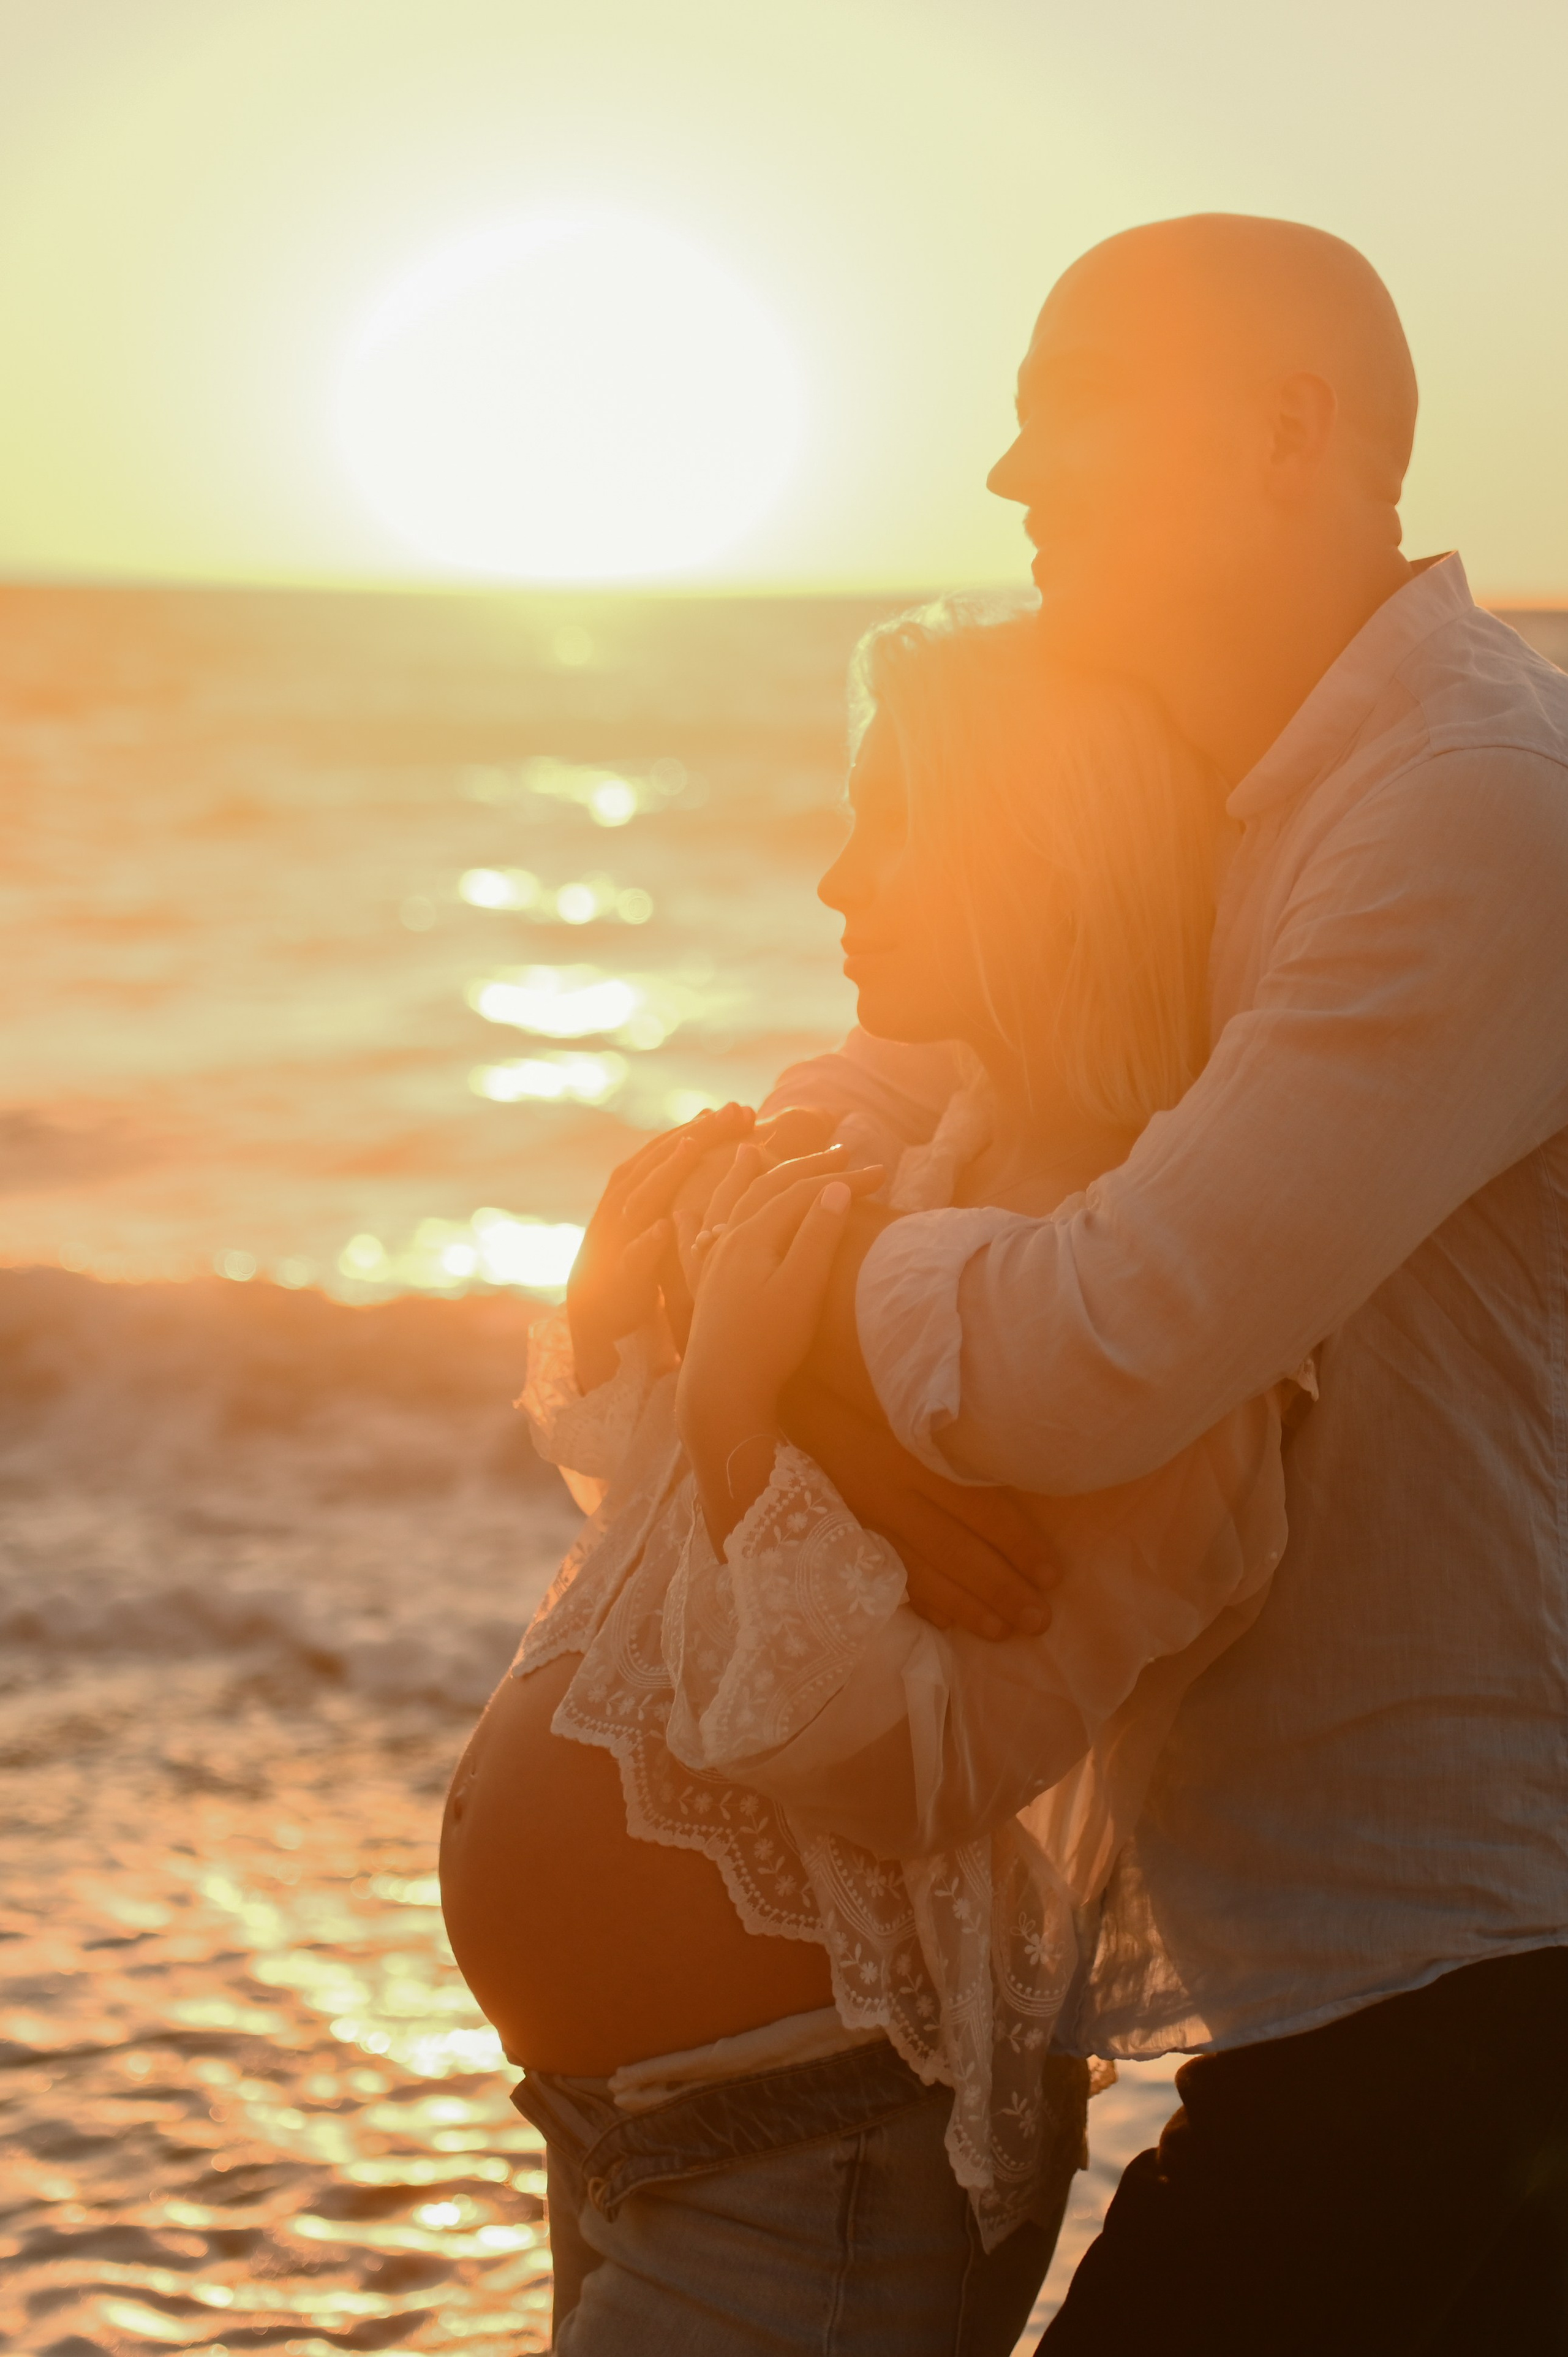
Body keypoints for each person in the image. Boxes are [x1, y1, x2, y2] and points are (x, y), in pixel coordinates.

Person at [772, 214, 1568, 2350]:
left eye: (1066, 413)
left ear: (1286, 432)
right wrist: (745, 1250)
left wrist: (795, 1324)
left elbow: (1108, 1346)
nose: (1013, 478)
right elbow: (884, 1065)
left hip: (1489, 1985)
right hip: (1348, 2000)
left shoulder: (1473, 808)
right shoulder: (1238, 789)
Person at [440, 604, 1295, 2353]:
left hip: (812, 2164)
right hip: (636, 2132)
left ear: (1037, 862)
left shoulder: (1139, 1326)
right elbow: (680, 1582)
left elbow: (922, 1770)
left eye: (892, 823)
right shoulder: (914, 1150)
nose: (837, 881)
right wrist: (639, 1323)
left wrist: (753, 1420)